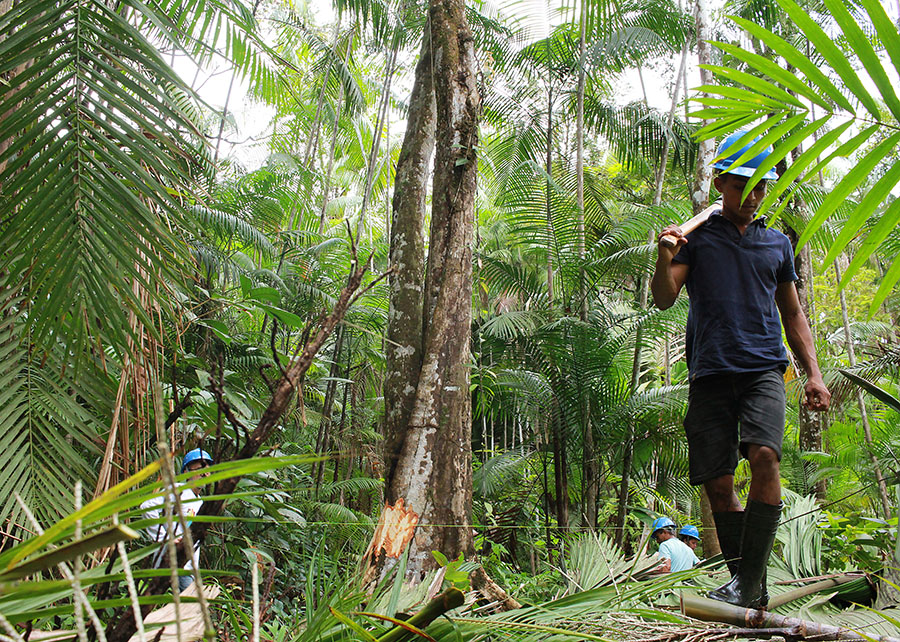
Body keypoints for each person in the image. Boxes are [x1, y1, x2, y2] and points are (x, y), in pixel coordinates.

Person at [650, 130, 831, 608]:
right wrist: (665, 257)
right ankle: (747, 585)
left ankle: (748, 584)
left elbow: (793, 313)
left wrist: (813, 373)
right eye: (740, 186)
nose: (751, 196)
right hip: (710, 372)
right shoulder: (697, 240)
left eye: (759, 187)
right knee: (718, 482)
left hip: (764, 368)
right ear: (719, 184)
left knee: (765, 455)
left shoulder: (776, 244)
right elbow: (665, 297)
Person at [142, 448, 213, 591]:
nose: (204, 474)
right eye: (199, 469)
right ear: (186, 472)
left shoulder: (199, 502)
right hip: (172, 561)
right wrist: (166, 537)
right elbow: (147, 507)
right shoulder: (178, 490)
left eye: (207, 470)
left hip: (188, 567)